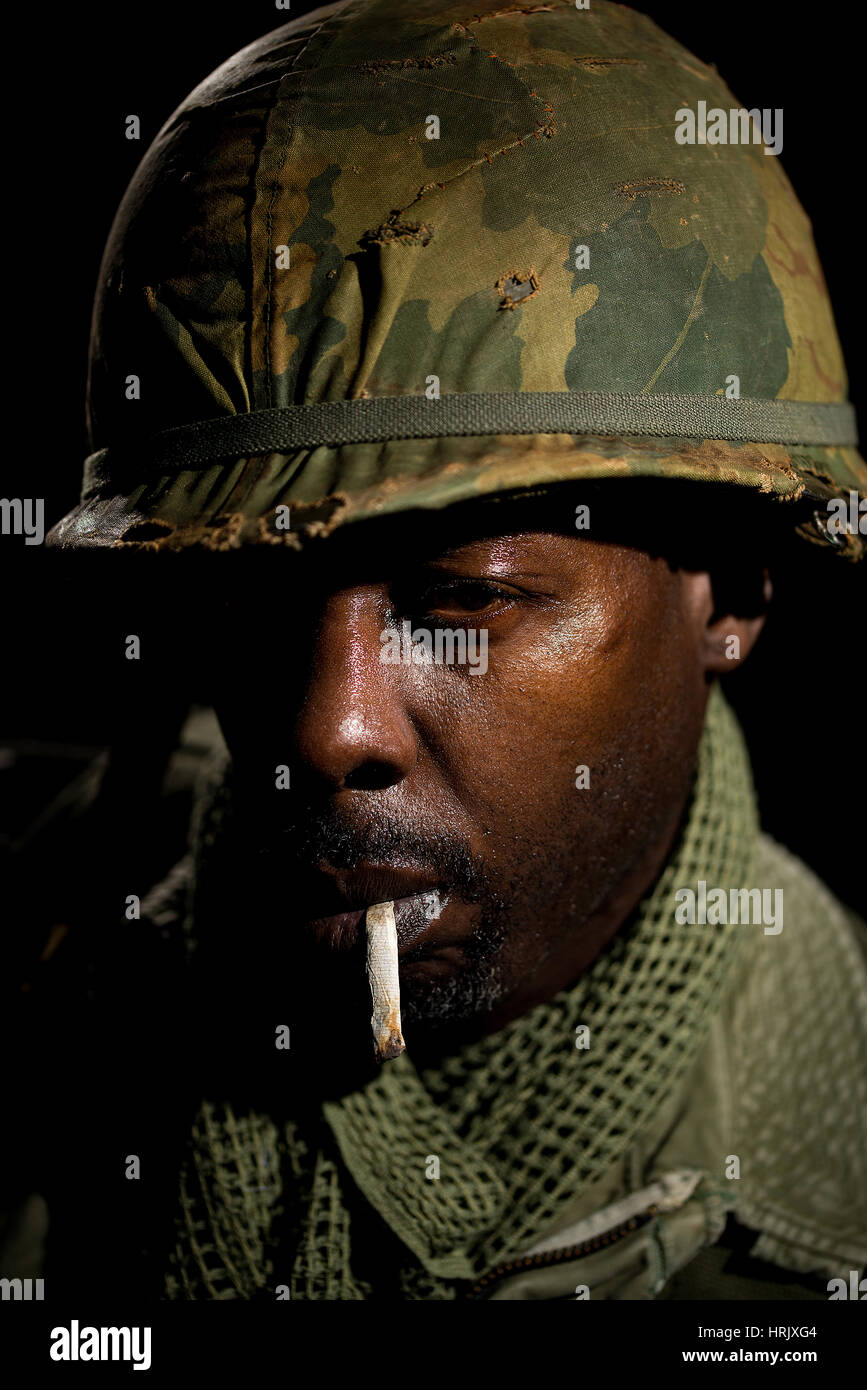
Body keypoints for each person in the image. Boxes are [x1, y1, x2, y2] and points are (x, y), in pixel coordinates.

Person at [38, 0, 866, 1300]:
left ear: (734, 592)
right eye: (249, 596)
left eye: (458, 602)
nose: (329, 727)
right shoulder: (68, 973)